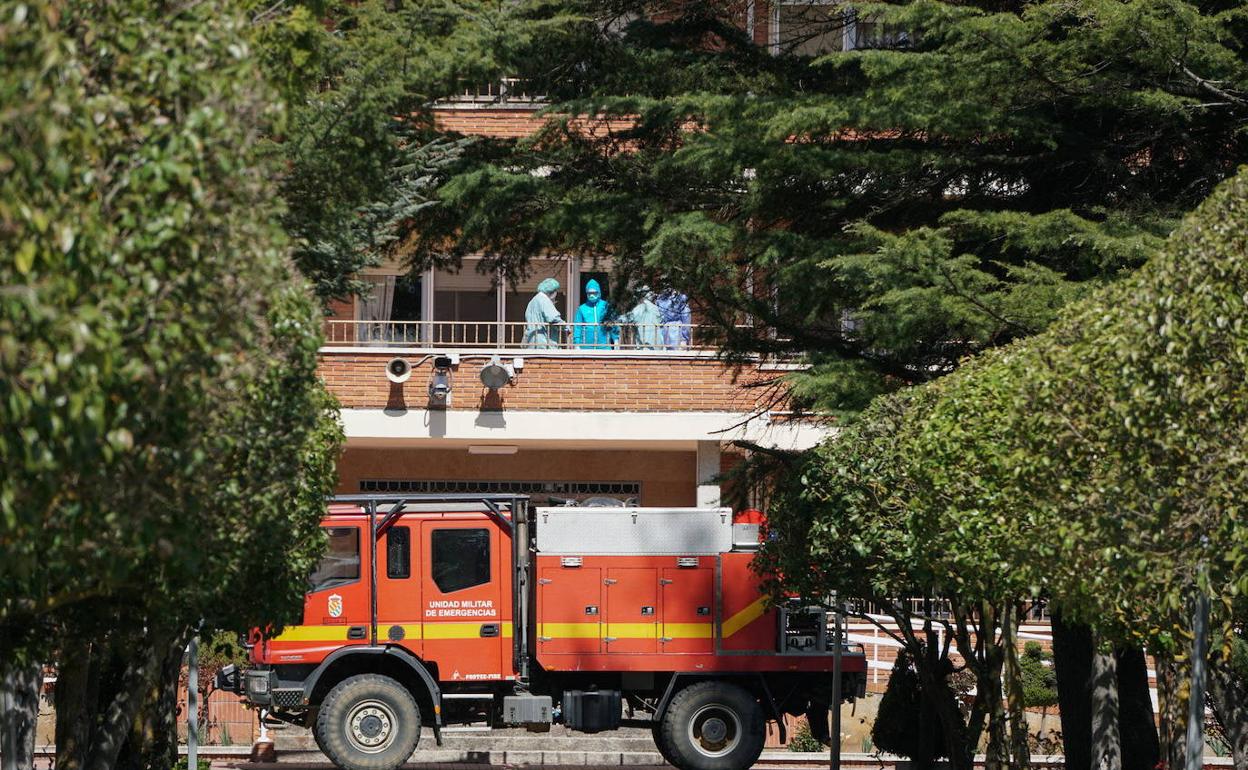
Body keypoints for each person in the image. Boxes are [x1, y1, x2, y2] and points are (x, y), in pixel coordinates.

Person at [572, 279, 618, 349]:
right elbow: (578, 327)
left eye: (594, 293)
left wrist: (615, 340)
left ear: (599, 293)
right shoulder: (582, 309)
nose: (592, 295)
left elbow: (612, 323)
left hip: (604, 347)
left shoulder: (605, 306)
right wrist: (577, 344)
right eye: (589, 293)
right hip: (586, 347)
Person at [524, 278, 565, 348]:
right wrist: (565, 326)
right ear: (552, 291)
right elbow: (553, 318)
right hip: (542, 341)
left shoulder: (533, 301)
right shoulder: (544, 300)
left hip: (531, 339)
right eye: (556, 291)